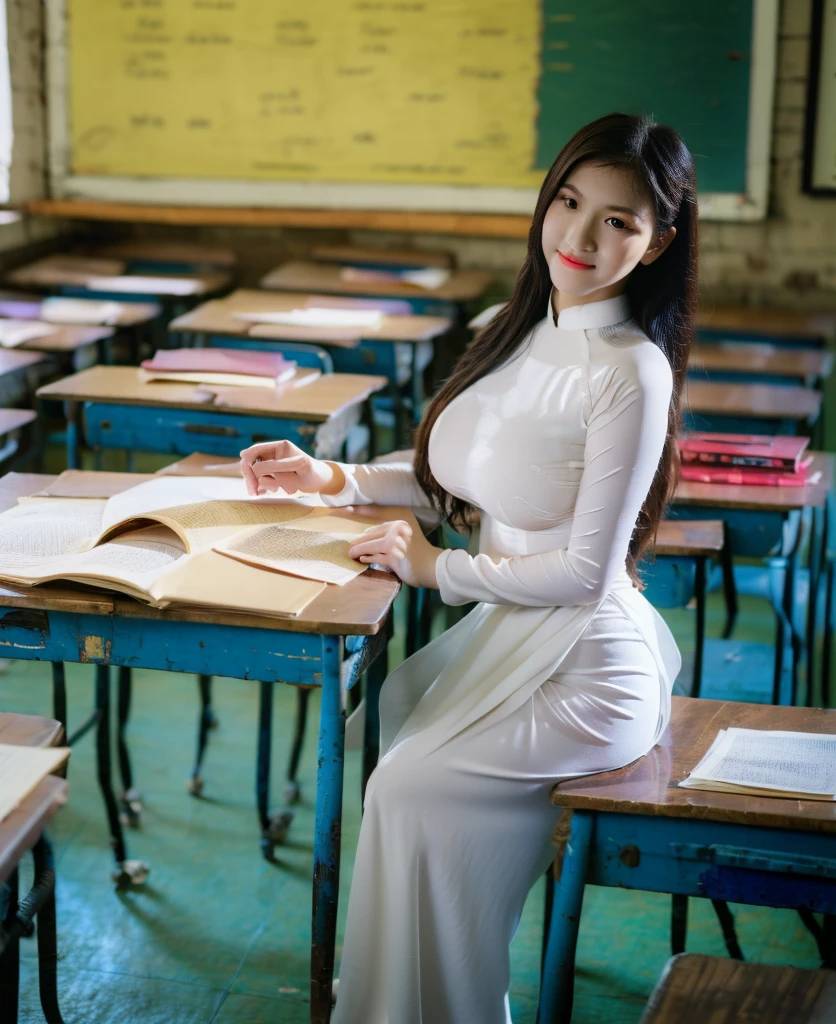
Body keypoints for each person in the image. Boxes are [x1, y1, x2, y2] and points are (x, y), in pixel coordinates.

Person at [239, 112, 696, 1024]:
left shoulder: (631, 370)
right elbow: (461, 470)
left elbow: (585, 575)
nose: (580, 236)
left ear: (658, 244)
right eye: (569, 202)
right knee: (391, 744)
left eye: (618, 220)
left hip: (585, 670)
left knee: (409, 784)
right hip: (509, 636)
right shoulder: (515, 328)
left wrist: (436, 569)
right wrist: (329, 477)